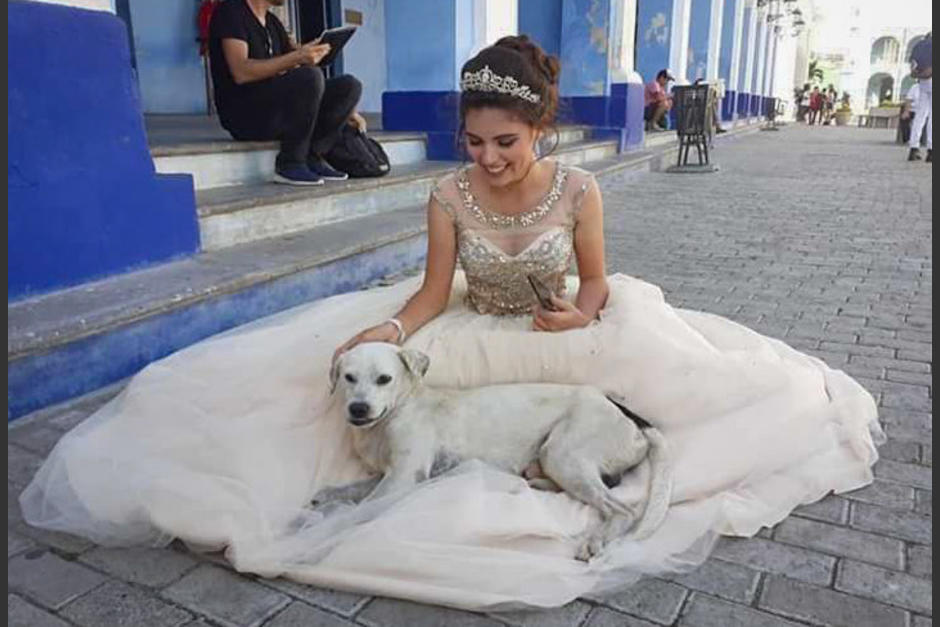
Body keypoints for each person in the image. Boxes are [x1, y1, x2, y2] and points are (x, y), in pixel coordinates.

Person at [19, 35, 883, 611]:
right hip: (473, 322)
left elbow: (595, 284)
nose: (488, 158)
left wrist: (577, 314)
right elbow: (432, 295)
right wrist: (393, 334)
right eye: (474, 142)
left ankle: (609, 464)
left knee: (688, 385)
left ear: (539, 128)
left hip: (560, 328)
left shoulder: (579, 189)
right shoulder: (447, 194)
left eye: (505, 141)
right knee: (370, 387)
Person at [208, 0, 366, 185]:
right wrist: (297, 57)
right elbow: (240, 71)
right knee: (309, 77)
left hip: (274, 108)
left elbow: (295, 60)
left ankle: (312, 155)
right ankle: (290, 163)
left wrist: (347, 110)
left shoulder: (272, 22)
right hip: (244, 116)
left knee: (349, 87)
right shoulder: (230, 12)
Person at [907, 32, 932, 162]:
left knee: (920, 115)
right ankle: (931, 150)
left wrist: (918, 74)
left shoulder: (919, 46)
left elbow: (912, 64)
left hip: (923, 82)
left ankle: (913, 148)